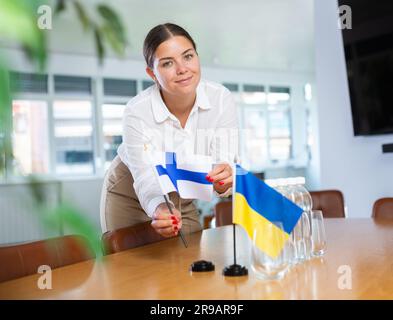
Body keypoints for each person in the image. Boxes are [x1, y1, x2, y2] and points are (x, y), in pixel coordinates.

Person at [100, 23, 238, 238]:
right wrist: (159, 207)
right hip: (130, 193)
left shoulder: (221, 99)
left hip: (183, 194)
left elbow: (224, 166)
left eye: (188, 56)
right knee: (132, 267)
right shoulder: (137, 111)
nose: (182, 69)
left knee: (191, 262)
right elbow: (146, 178)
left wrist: (224, 180)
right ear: (152, 73)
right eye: (167, 63)